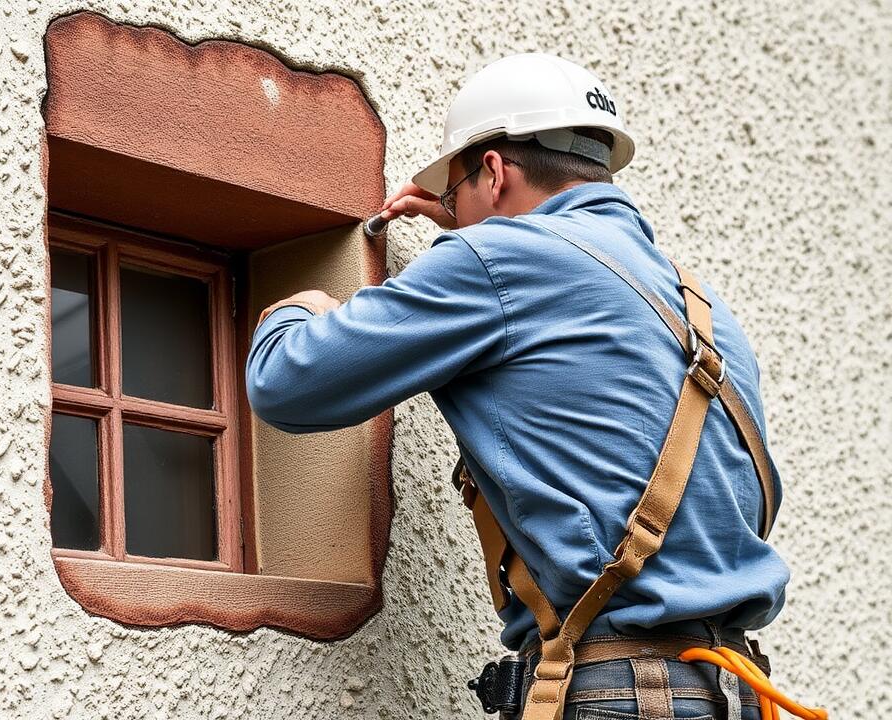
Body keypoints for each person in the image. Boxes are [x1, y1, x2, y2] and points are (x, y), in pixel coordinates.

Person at [244, 54, 806, 720]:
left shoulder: (496, 263)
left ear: (494, 171)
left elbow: (288, 383)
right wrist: (479, 231)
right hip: (731, 691)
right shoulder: (702, 310)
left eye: (455, 194)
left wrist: (296, 308)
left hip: (624, 694)